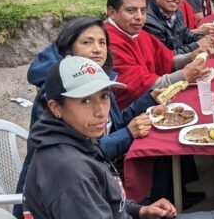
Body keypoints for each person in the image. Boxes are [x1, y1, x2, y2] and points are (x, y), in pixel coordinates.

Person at [23, 55, 214, 219]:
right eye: (85, 101)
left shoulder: (75, 134)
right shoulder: (71, 174)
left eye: (103, 96)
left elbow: (103, 197)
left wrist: (140, 211)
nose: (101, 111)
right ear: (55, 108)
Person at [14, 17, 161, 218]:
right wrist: (127, 134)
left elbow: (111, 125)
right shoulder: (70, 169)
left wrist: (149, 98)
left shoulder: (101, 82)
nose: (97, 49)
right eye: (87, 42)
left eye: (102, 43)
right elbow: (91, 156)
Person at [104, 0, 208, 109]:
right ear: (111, 12)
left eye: (143, 11)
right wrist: (185, 74)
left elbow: (167, 60)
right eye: (131, 10)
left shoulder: (137, 32)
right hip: (130, 113)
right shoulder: (106, 42)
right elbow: (145, 86)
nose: (139, 17)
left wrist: (190, 57)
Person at [145, 0, 214, 54]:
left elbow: (185, 34)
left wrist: (203, 39)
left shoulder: (175, 10)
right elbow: (165, 57)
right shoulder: (147, 22)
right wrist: (197, 44)